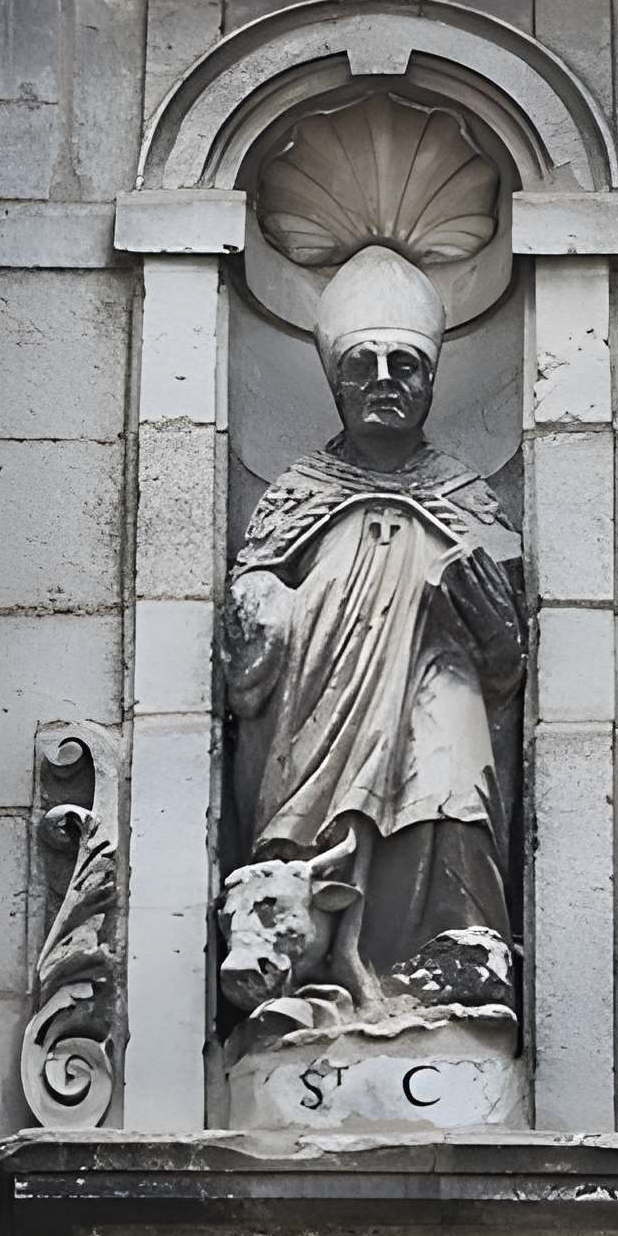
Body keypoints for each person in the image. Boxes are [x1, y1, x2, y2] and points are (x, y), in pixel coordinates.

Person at [222, 244, 525, 1018]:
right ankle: (309, 971)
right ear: (335, 380)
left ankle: (459, 956)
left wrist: (492, 623)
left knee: (455, 788)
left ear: (431, 377)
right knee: (314, 829)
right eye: (364, 365)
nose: (386, 382)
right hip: (323, 693)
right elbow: (253, 600)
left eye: (405, 365)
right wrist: (261, 605)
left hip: (437, 673)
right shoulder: (298, 493)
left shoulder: (465, 496)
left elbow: (507, 661)